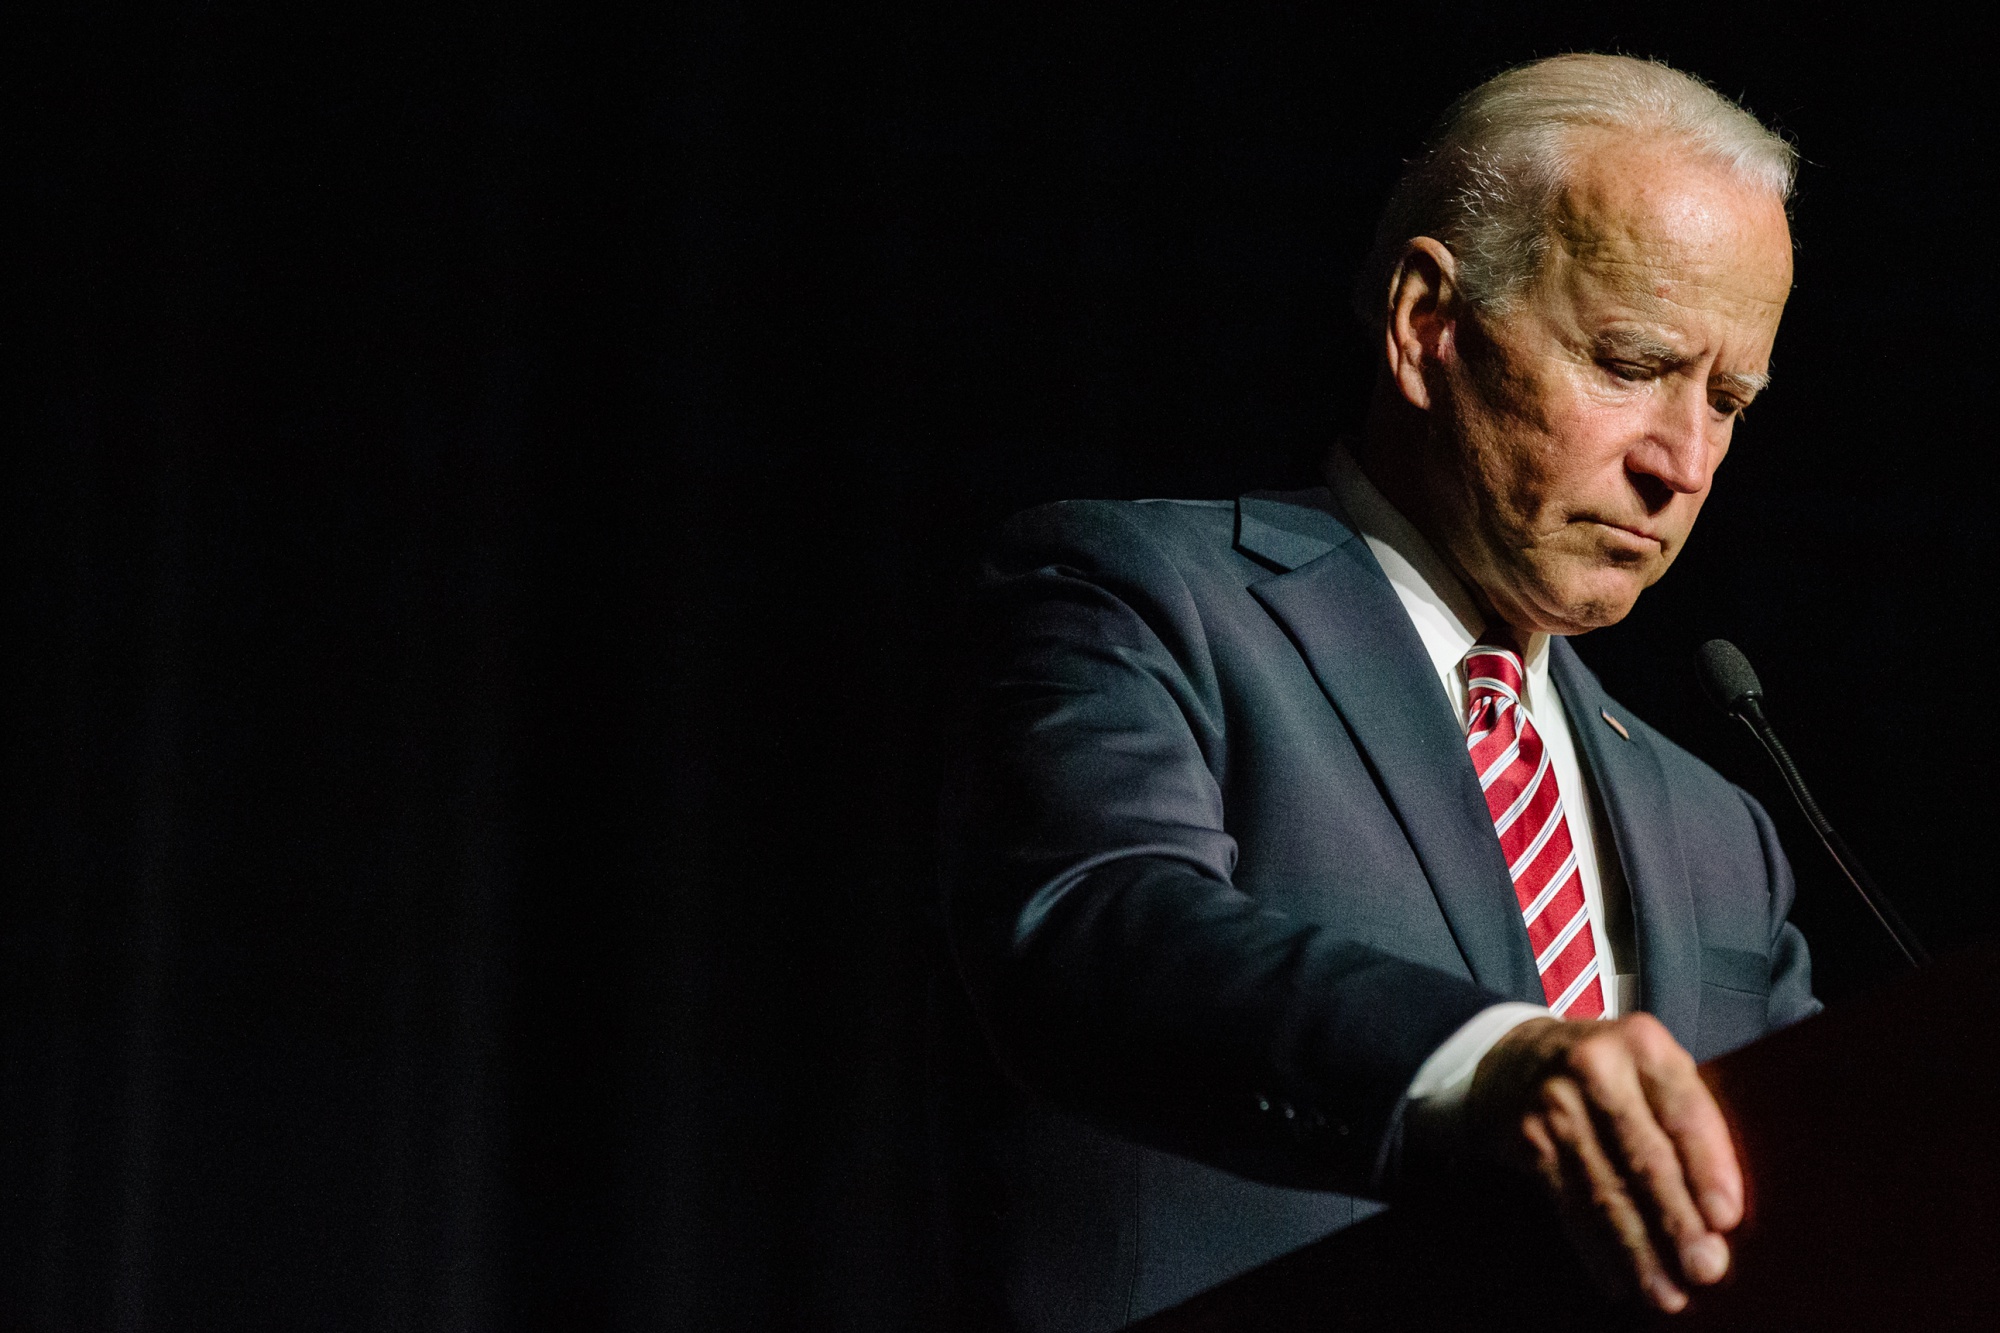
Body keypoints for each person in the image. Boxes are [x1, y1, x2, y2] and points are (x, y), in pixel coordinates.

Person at [940, 53, 1819, 1332]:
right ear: (1424, 324)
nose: (1679, 461)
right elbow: (1097, 930)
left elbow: (1820, 1183)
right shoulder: (1142, 594)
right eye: (1630, 361)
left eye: (1726, 398)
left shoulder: (1720, 831)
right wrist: (1487, 1067)